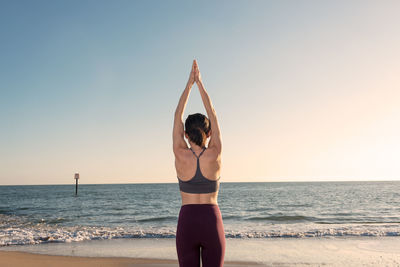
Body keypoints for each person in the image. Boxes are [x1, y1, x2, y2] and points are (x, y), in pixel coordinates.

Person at [173, 59, 225, 267]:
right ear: (210, 133)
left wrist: (189, 84)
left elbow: (178, 115)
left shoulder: (179, 153)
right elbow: (213, 114)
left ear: (185, 134)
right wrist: (200, 84)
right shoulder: (215, 153)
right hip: (212, 222)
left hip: (187, 222)